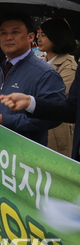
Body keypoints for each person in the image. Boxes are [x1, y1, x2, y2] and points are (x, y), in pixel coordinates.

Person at [0, 13, 67, 146]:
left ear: (30, 37)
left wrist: (7, 120)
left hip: (22, 156)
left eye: (15, 32)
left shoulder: (45, 74)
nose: (8, 38)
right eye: (3, 33)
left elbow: (54, 117)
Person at [37, 19, 77, 156]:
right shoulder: (40, 61)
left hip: (56, 134)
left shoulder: (68, 66)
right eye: (39, 34)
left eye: (43, 35)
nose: (39, 38)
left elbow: (60, 99)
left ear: (56, 36)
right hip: (38, 127)